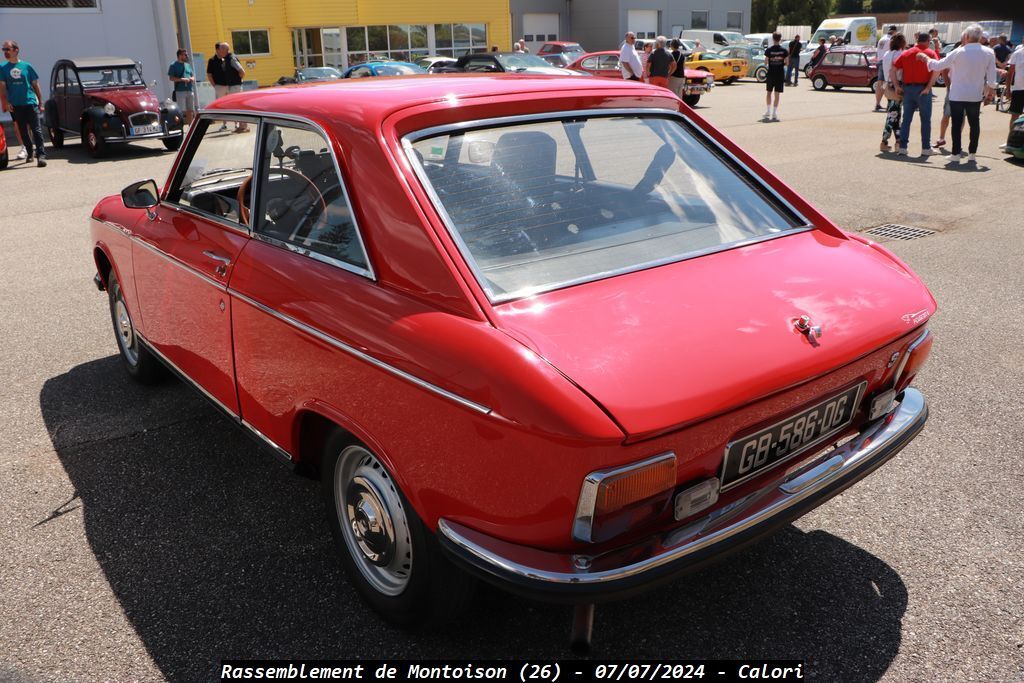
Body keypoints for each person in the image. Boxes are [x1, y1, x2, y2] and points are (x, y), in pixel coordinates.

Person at [917, 24, 998, 163]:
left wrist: (925, 58)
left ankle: (955, 154)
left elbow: (938, 65)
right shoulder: (989, 52)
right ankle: (972, 154)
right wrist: (990, 93)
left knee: (956, 123)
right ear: (979, 37)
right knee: (974, 124)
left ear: (966, 37)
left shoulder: (959, 51)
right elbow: (992, 78)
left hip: (957, 94)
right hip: (975, 95)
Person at [0, 40, 46, 167]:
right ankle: (30, 153)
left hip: (30, 102)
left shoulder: (27, 66)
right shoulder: (2, 68)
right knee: (23, 131)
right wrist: (5, 102)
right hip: (15, 105)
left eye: (7, 49)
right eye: (3, 50)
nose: (5, 52)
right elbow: (2, 87)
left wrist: (40, 102)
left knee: (36, 130)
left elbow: (36, 85)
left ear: (16, 50)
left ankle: (41, 156)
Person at [893, 33, 940, 156]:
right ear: (928, 41)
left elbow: (892, 69)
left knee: (906, 119)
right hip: (923, 88)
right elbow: (937, 70)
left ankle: (903, 147)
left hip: (908, 89)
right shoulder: (931, 53)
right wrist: (929, 87)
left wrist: (897, 86)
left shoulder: (906, 53)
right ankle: (925, 148)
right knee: (925, 120)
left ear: (917, 40)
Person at [207, 42, 247, 132]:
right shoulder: (217, 59)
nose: (220, 51)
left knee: (237, 106)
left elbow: (242, 72)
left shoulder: (231, 58)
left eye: (222, 49)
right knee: (230, 106)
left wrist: (237, 81)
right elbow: (209, 74)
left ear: (225, 50)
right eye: (220, 49)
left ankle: (241, 126)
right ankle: (238, 126)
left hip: (234, 86)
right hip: (226, 86)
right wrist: (215, 85)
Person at [879, 33, 907, 152]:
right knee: (893, 115)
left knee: (894, 113)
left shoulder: (886, 54)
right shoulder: (900, 55)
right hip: (897, 85)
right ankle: (886, 140)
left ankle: (896, 141)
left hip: (887, 85)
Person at [168, 48, 197, 126]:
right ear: (180, 55)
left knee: (190, 110)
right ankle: (179, 127)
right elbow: (171, 78)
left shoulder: (187, 65)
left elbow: (193, 76)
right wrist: (181, 79)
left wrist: (191, 79)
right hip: (180, 91)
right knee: (180, 111)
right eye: (185, 55)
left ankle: (191, 126)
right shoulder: (173, 65)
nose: (187, 56)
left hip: (189, 90)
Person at [762, 33, 788, 122]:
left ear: (773, 39)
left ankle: (768, 111)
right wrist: (780, 62)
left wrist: (772, 60)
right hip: (780, 74)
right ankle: (774, 113)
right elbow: (787, 63)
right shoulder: (784, 51)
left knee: (769, 92)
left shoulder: (768, 50)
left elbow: (765, 62)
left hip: (771, 74)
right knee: (777, 94)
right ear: (780, 39)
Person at [875, 26, 897, 111]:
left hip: (880, 61)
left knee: (880, 84)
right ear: (894, 32)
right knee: (888, 83)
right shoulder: (891, 40)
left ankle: (877, 104)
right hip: (887, 62)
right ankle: (889, 103)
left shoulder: (882, 39)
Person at [1006, 40, 1024, 144]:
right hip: (1018, 89)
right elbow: (1010, 73)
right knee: (1015, 115)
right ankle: (1011, 140)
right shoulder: (1017, 53)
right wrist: (1008, 90)